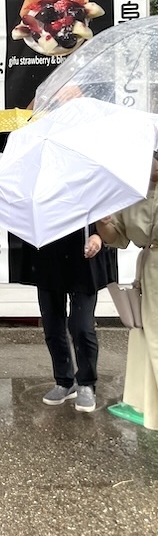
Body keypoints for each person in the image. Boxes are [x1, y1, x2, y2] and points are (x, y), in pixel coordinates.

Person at [15, 228, 114, 412]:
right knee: (52, 326)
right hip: (47, 253)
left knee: (82, 327)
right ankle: (63, 381)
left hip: (84, 254)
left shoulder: (89, 196)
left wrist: (100, 236)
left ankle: (86, 383)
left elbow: (108, 214)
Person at [96, 151, 158, 430]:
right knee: (149, 340)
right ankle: (148, 404)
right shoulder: (134, 190)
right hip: (150, 272)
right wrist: (104, 221)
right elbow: (118, 237)